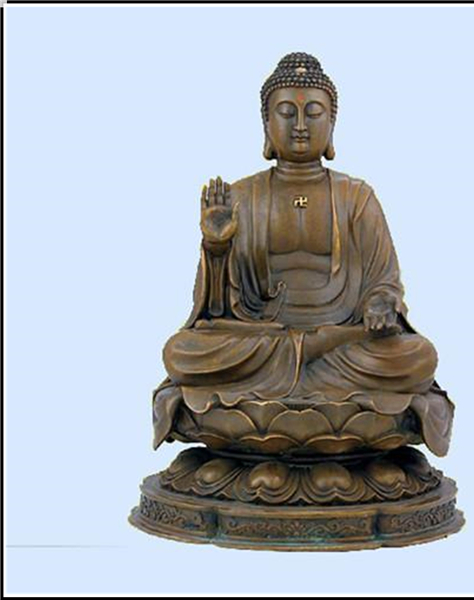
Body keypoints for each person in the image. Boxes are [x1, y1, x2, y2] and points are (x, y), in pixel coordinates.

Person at [152, 53, 453, 456]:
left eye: (313, 113)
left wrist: (381, 304)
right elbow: (214, 310)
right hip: (263, 339)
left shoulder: (356, 197)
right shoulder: (241, 197)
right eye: (286, 113)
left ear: (331, 124)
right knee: (182, 352)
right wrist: (217, 247)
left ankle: (298, 374)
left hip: (341, 343)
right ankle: (313, 372)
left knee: (418, 357)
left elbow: (384, 280)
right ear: (266, 124)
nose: (299, 125)